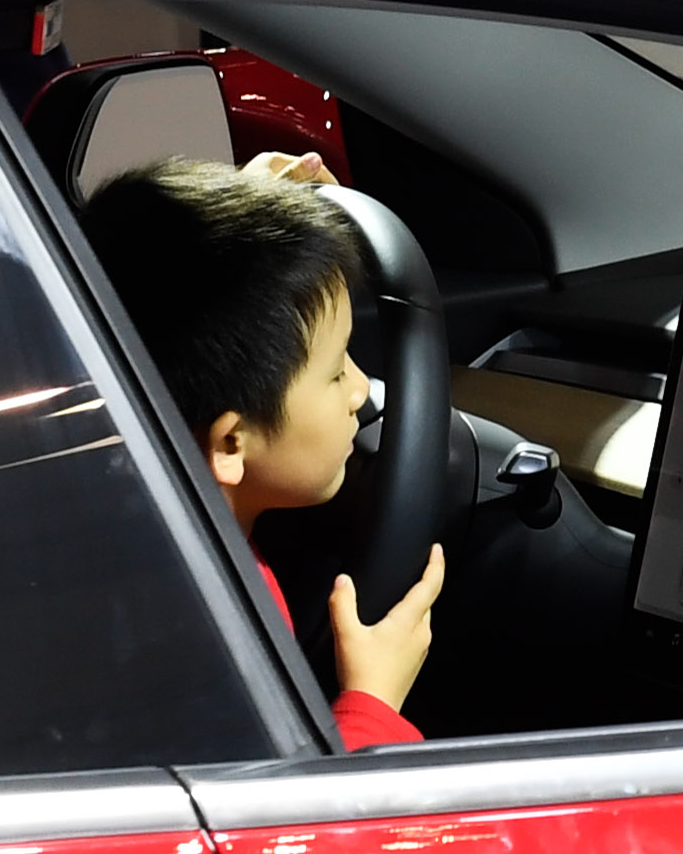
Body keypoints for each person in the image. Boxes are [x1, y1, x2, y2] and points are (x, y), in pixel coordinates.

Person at [79, 152, 448, 746]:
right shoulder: (219, 637)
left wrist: (241, 216)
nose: (361, 391)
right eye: (336, 372)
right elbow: (280, 794)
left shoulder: (107, 529)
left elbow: (158, 284)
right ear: (230, 443)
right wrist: (372, 703)